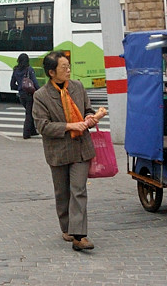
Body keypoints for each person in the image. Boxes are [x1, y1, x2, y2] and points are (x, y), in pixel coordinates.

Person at [32, 51, 107, 252]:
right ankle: (67, 228)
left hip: (81, 149)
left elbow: (88, 111)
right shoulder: (41, 96)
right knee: (62, 192)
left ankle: (79, 236)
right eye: (63, 67)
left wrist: (91, 118)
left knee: (79, 190)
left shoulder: (78, 87)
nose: (68, 70)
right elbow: (43, 126)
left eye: (68, 66)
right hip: (58, 151)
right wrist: (69, 126)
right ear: (51, 72)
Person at [10, 53, 39, 139]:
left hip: (21, 96)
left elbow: (12, 85)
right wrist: (39, 91)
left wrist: (20, 88)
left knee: (29, 112)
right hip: (29, 95)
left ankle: (33, 131)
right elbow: (35, 82)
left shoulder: (15, 70)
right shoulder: (29, 69)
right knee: (29, 114)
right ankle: (26, 133)